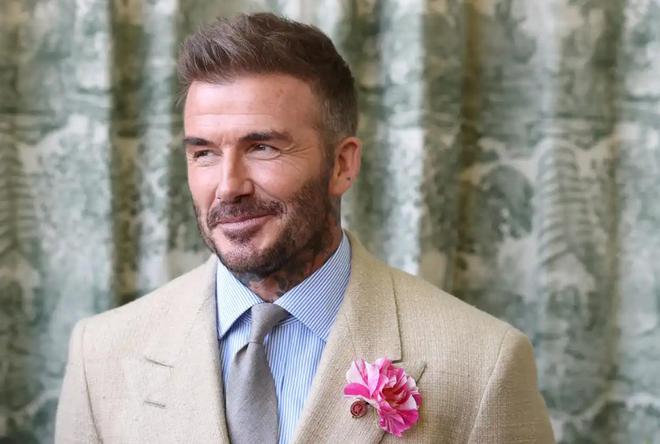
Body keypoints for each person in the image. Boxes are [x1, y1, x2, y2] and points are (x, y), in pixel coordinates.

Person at [55, 12, 555, 444]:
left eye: (262, 147)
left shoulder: (484, 364)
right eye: (204, 152)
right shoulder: (99, 357)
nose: (228, 187)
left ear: (342, 165)